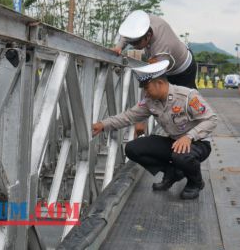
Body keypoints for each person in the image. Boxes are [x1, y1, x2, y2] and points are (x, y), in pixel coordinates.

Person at [92, 60, 217, 200]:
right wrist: (103, 125)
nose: (145, 92)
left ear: (160, 83)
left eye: (147, 87)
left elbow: (211, 119)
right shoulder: (150, 101)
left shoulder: (187, 97)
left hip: (198, 143)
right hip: (174, 142)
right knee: (133, 149)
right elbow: (128, 116)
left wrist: (189, 136)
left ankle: (195, 183)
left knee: (181, 156)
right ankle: (171, 172)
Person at [112, 10, 197, 89]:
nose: (134, 47)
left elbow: (156, 75)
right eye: (131, 43)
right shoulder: (143, 21)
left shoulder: (162, 47)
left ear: (148, 36)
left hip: (183, 70)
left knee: (187, 99)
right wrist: (119, 47)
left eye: (136, 43)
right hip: (167, 65)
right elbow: (128, 34)